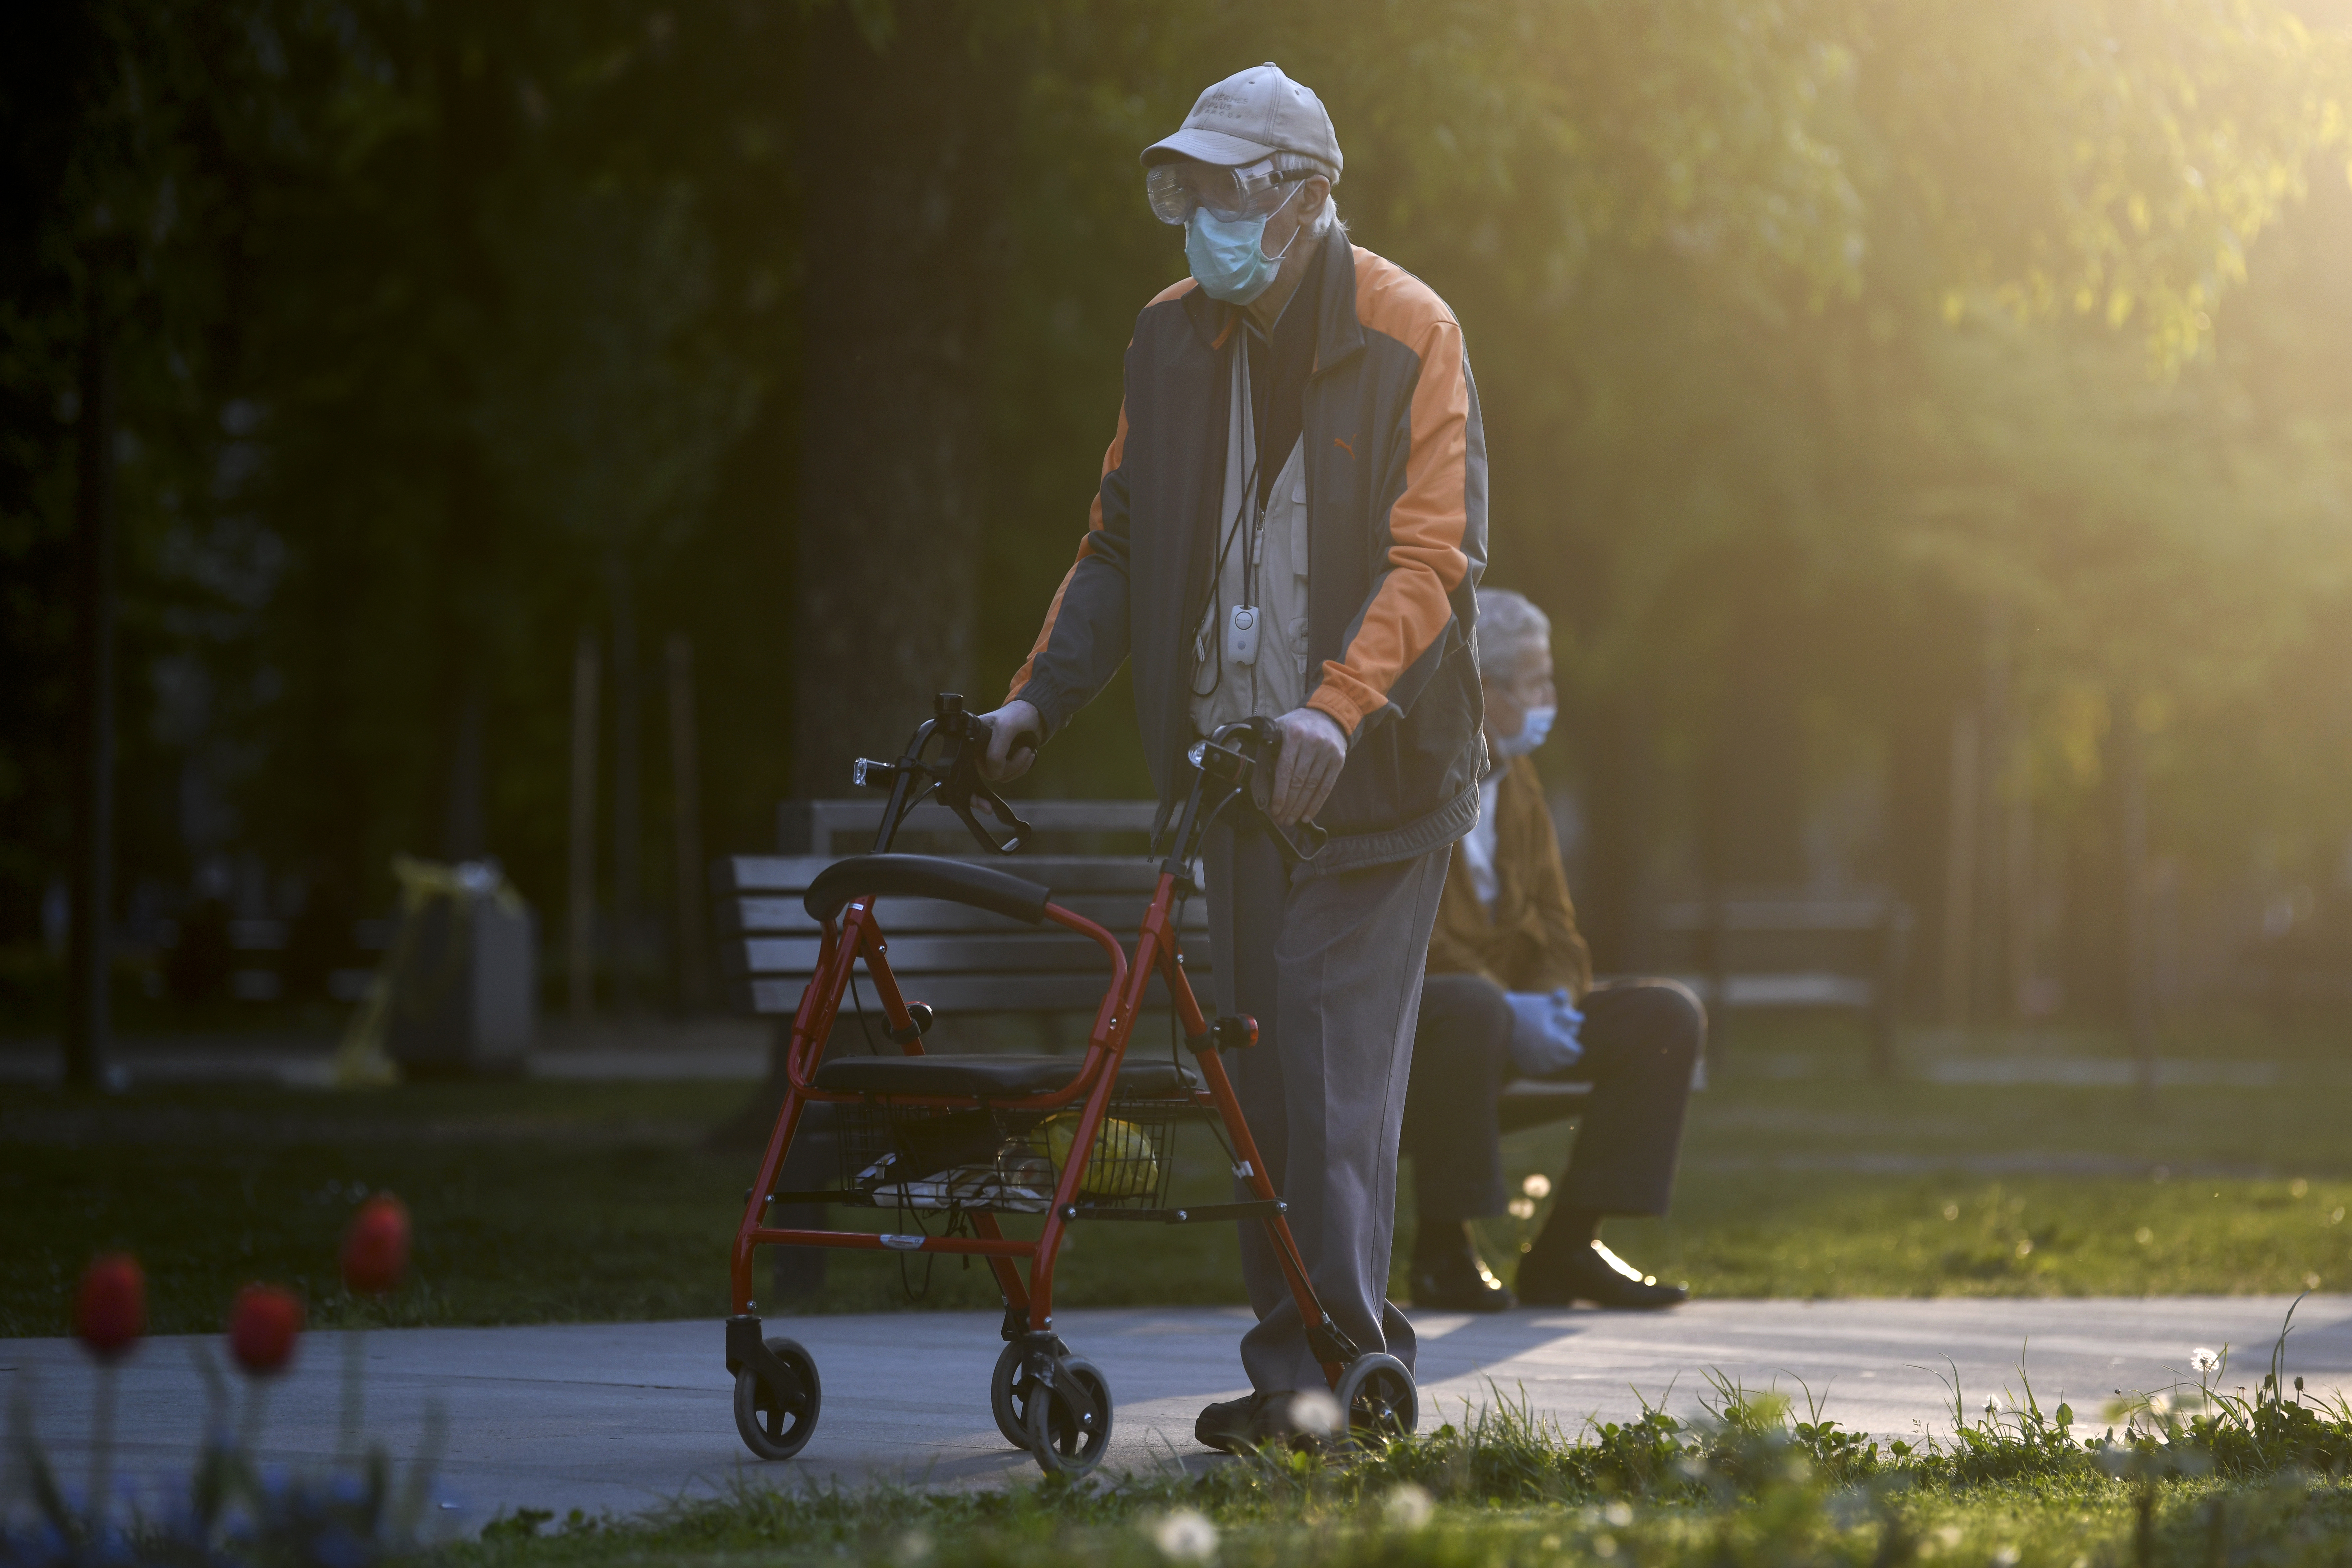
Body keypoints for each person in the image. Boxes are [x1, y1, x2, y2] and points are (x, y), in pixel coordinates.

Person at [973, 63, 1488, 1451]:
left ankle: (1347, 1371)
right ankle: (1295, 1379)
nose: (1198, 212)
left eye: (1225, 187)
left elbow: (1431, 557)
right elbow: (1117, 543)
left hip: (1373, 780)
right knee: (1259, 1083)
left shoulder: (1406, 328)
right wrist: (1035, 702)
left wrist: (1333, 708)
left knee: (1321, 1062)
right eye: (1183, 187)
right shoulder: (1168, 337)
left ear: (1306, 197)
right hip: (1232, 782)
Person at [1400, 588, 1700, 1312]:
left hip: (1504, 1015)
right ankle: (1442, 1249)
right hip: (1426, 1028)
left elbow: (1558, 927)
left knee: (1665, 1016)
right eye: (1534, 682)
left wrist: (1553, 1004)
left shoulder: (1518, 781)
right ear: (1484, 688)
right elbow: (1412, 935)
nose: (1549, 697)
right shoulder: (1410, 774)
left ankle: (1566, 1245)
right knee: (1470, 1008)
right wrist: (1506, 1006)